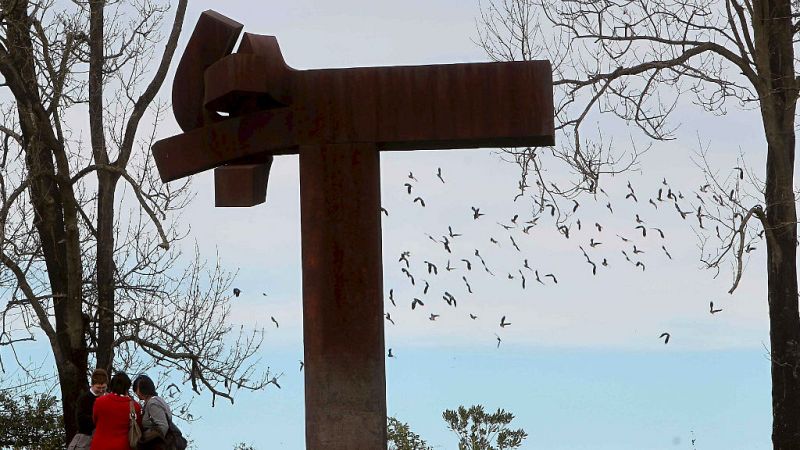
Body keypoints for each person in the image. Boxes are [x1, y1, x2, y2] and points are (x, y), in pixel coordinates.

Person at [91, 371, 142, 450]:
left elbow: (95, 420)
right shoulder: (135, 407)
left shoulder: (99, 402)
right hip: (123, 446)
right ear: (127, 387)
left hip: (99, 445)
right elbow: (137, 426)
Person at [68, 368, 108, 450]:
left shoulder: (108, 399)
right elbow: (81, 421)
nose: (101, 391)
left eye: (103, 387)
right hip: (86, 439)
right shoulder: (84, 399)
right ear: (92, 385)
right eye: (98, 388)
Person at [133, 374, 172, 450]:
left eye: (136, 389)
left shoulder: (153, 403)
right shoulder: (152, 402)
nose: (136, 393)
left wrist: (143, 438)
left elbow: (163, 427)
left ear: (143, 389)